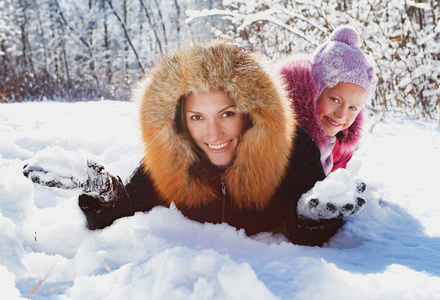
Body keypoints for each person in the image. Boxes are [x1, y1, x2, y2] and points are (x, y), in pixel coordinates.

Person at [23, 39, 365, 246]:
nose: (213, 135)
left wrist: (313, 215)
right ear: (180, 121)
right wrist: (102, 190)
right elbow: (127, 205)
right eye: (197, 117)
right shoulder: (173, 155)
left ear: (249, 112)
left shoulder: (292, 149)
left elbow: (303, 227)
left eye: (227, 114)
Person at [276, 25, 377, 175]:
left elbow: (337, 181)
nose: (341, 114)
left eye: (353, 108)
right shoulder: (282, 135)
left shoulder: (337, 147)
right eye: (335, 100)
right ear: (315, 91)